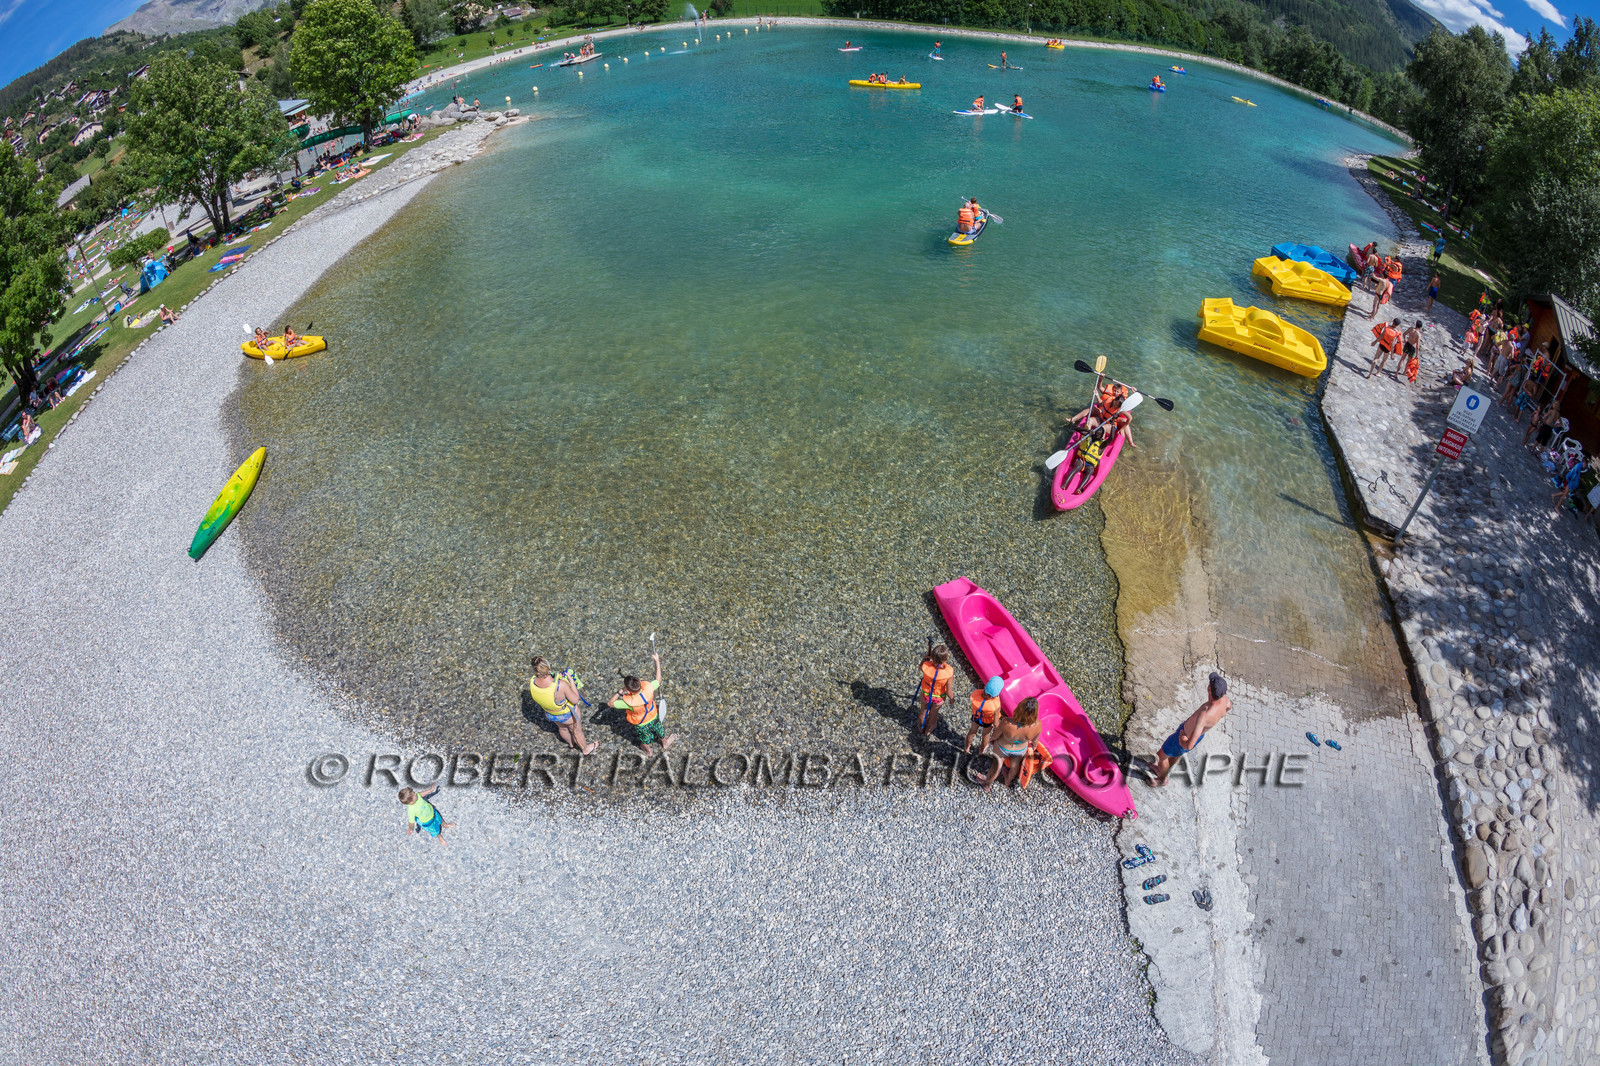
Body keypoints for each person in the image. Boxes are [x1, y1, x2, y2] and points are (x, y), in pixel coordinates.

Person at [1144, 672, 1231, 787]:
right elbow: (1229, 707)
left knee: (1161, 755)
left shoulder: (1205, 715)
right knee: (1175, 754)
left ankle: (1162, 779)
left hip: (1185, 736)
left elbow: (1189, 745)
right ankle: (1163, 770)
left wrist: (1182, 740)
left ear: (1209, 688)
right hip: (1196, 734)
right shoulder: (1224, 699)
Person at [529, 655, 597, 755]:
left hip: (551, 714)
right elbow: (575, 699)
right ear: (548, 667)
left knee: (563, 728)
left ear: (536, 671)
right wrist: (571, 681)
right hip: (567, 714)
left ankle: (571, 744)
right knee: (576, 731)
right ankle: (585, 749)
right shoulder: (561, 685)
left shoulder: (533, 682)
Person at [611, 652, 675, 755]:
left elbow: (610, 703)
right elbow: (658, 680)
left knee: (644, 738)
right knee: (659, 729)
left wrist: (620, 691)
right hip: (653, 716)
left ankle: (648, 751)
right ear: (640, 683)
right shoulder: (648, 689)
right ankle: (665, 743)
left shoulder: (628, 703)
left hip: (641, 724)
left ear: (628, 689)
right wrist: (657, 661)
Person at [984, 696, 1042, 788]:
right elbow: (1035, 741)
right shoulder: (1038, 725)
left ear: (1019, 708)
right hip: (1020, 750)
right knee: (1014, 766)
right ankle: (1008, 781)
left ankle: (987, 785)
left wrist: (992, 740)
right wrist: (1033, 747)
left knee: (996, 766)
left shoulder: (1007, 722)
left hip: (1002, 748)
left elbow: (996, 734)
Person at [1062, 418, 1117, 488]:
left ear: (1101, 437)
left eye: (1098, 435)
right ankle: (1065, 484)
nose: (1095, 436)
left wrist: (1113, 422)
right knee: (1077, 466)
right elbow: (1076, 428)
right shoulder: (1089, 435)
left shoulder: (1102, 445)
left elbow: (1111, 438)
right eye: (1095, 434)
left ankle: (1079, 488)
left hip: (1090, 465)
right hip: (1081, 460)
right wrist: (1088, 431)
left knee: (1090, 471)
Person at [916, 643, 955, 736]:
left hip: (926, 695)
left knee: (923, 711)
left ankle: (920, 727)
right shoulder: (948, 673)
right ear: (946, 659)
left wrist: (926, 657)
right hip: (938, 698)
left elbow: (921, 666)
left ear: (932, 657)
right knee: (934, 714)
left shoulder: (926, 666)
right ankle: (929, 729)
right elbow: (949, 690)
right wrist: (952, 698)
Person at [965, 676, 1004, 755]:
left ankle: (967, 747)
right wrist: (997, 729)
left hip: (976, 718)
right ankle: (981, 751)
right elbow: (996, 722)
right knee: (985, 735)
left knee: (972, 731)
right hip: (987, 722)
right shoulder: (995, 705)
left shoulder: (975, 694)